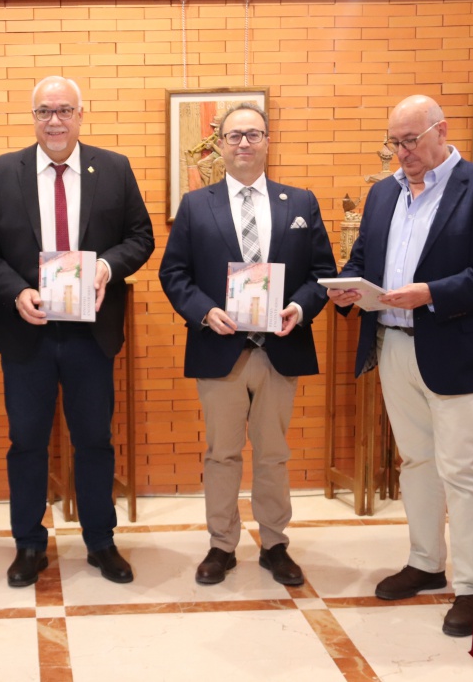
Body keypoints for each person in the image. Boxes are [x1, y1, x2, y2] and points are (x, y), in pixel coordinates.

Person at [327, 95, 473, 637]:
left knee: (462, 470)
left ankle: (472, 585)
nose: (402, 153)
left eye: (411, 140)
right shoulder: (381, 193)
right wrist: (348, 286)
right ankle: (425, 561)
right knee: (415, 462)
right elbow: (364, 257)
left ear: (442, 131)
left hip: (459, 350)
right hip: (393, 345)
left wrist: (432, 293)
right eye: (394, 142)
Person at [0, 76, 155, 587]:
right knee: (26, 441)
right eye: (45, 111)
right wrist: (15, 292)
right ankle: (29, 543)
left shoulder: (112, 169)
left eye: (65, 110)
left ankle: (100, 541)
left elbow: (142, 237)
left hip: (90, 334)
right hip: (25, 330)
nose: (55, 120)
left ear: (81, 114)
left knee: (95, 439)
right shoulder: (2, 172)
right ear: (33, 117)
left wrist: (107, 268)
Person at [159, 102, 338, 587]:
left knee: (274, 452)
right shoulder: (197, 205)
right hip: (221, 351)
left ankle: (276, 543)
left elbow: (324, 273)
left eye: (253, 135)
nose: (244, 143)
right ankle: (221, 545)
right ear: (219, 144)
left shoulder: (300, 203)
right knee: (222, 453)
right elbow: (173, 273)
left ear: (266, 141)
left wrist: (299, 309)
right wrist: (203, 311)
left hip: (279, 347)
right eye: (234, 136)